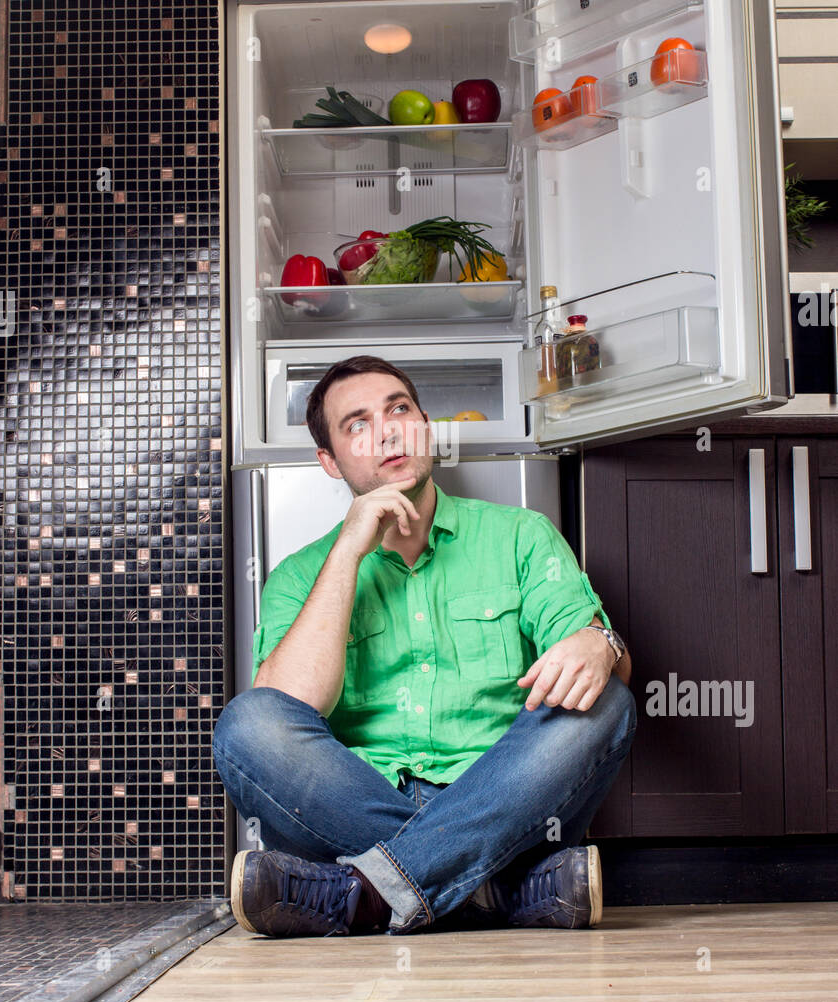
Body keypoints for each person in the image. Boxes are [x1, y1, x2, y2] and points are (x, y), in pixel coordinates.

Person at [213, 354, 637, 938]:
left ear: (425, 425)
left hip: (502, 789)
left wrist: (599, 644)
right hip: (359, 801)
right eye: (356, 424)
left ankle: (359, 894)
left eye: (399, 409)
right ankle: (494, 885)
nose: (387, 430)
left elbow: (599, 666)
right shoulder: (297, 574)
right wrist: (347, 555)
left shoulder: (520, 535)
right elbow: (284, 708)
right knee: (247, 724)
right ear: (329, 463)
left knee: (607, 700)